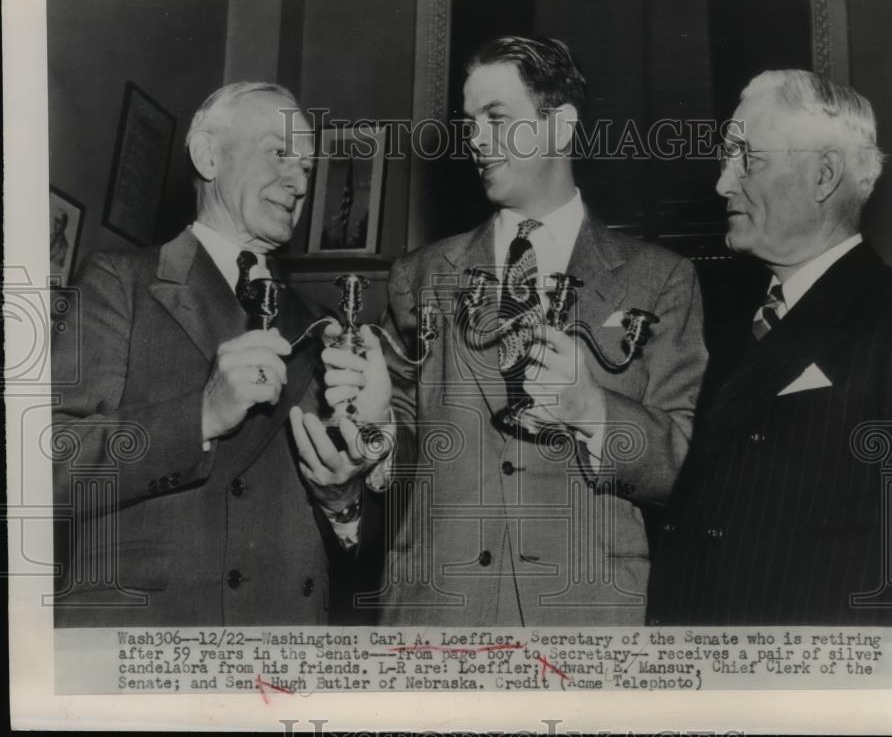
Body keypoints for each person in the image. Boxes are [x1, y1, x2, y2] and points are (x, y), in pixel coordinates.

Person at [293, 36, 708, 626]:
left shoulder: (662, 279)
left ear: (559, 126)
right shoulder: (420, 274)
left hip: (588, 615)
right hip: (437, 611)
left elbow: (682, 463)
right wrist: (379, 426)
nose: (476, 142)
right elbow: (403, 450)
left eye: (496, 119)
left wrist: (591, 410)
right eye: (470, 123)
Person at [51, 82, 376, 626]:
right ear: (207, 155)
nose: (298, 180)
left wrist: (344, 501)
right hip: (147, 638)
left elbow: (374, 548)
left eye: (307, 166)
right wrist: (200, 416)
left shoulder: (327, 328)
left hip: (283, 651)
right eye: (279, 152)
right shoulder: (120, 282)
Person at [646, 69, 892, 626]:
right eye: (725, 157)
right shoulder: (721, 320)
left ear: (822, 175)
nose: (722, 184)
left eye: (747, 158)